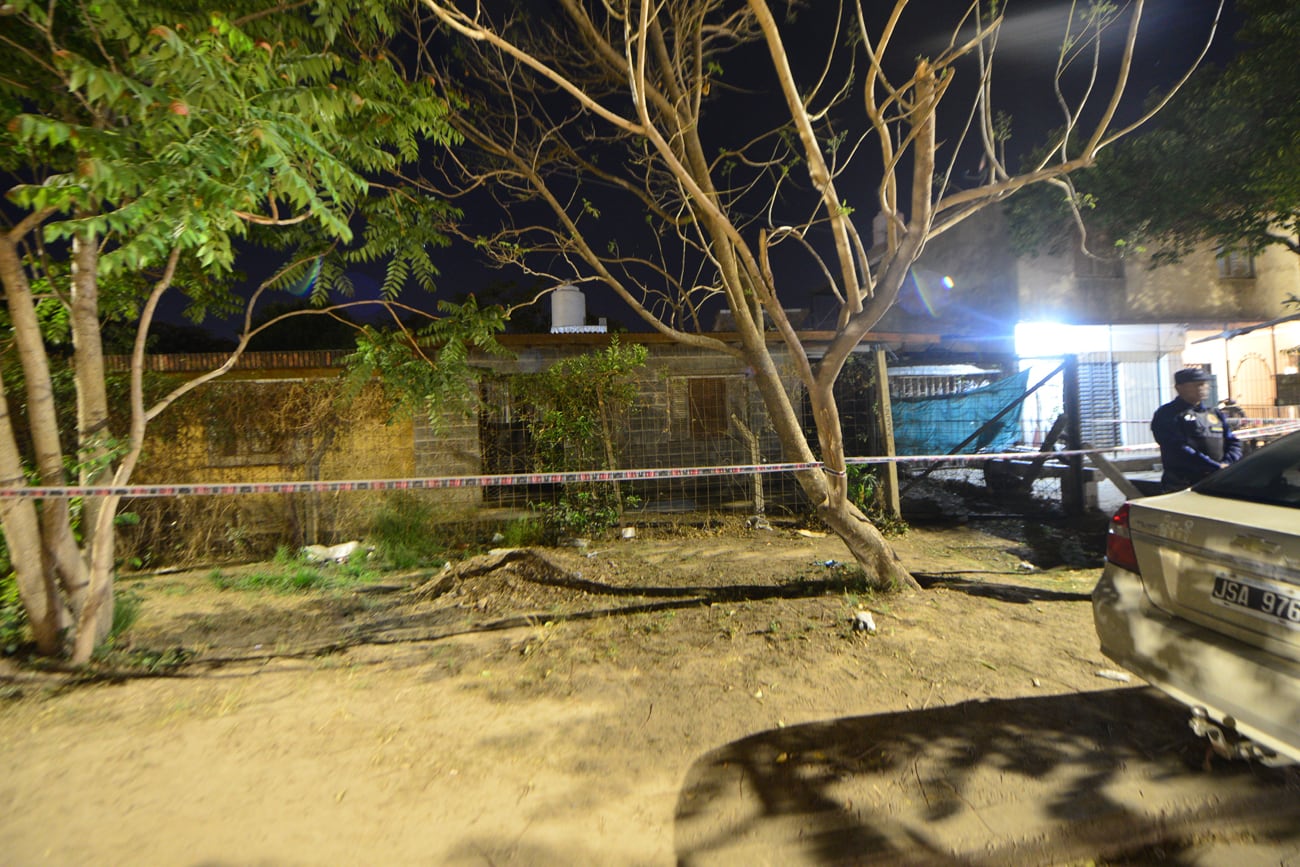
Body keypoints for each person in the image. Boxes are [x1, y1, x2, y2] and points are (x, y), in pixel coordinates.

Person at [1151, 368, 1243, 492]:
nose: (1203, 388)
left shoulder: (1213, 413)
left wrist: (1228, 463)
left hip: (1216, 480)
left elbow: (1233, 441)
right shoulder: (1167, 414)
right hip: (1183, 483)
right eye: (1196, 385)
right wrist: (1213, 466)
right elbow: (1176, 448)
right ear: (1179, 388)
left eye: (1204, 384)